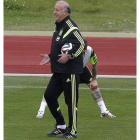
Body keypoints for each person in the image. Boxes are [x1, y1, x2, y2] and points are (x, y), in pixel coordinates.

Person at [37, 38, 116, 119]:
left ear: (85, 49)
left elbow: (94, 65)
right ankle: (41, 111)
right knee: (52, 89)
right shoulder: (68, 49)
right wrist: (50, 56)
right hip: (66, 70)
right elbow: (57, 54)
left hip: (81, 69)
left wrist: (94, 79)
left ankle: (104, 111)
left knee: (93, 86)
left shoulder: (89, 51)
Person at [41, 1, 85, 138]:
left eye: (57, 10)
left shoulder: (71, 27)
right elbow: (61, 46)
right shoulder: (59, 26)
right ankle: (61, 126)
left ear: (65, 12)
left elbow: (82, 43)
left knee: (70, 103)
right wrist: (50, 56)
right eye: (54, 9)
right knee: (49, 96)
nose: (54, 12)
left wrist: (69, 55)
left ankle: (72, 131)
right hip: (59, 70)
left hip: (70, 71)